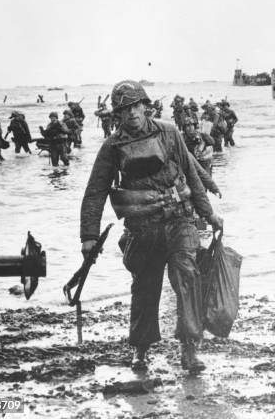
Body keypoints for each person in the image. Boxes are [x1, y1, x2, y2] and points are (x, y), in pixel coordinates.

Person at [80, 80, 223, 373]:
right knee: (145, 287)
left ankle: (189, 348)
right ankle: (141, 349)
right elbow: (95, 191)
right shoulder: (112, 146)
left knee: (187, 277)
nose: (131, 113)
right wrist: (89, 236)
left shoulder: (169, 132)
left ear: (145, 106)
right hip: (142, 228)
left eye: (135, 106)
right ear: (116, 115)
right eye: (124, 109)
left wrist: (208, 214)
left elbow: (192, 175)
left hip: (179, 221)